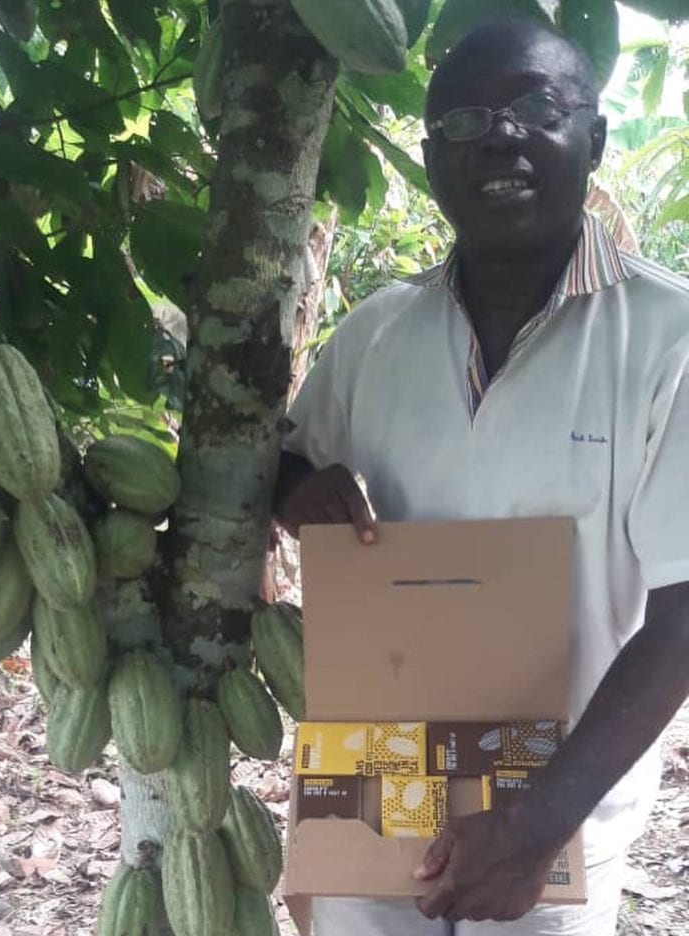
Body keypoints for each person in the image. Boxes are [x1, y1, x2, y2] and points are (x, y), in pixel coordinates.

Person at [273, 14, 689, 936]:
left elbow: (686, 610)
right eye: (464, 122)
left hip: (558, 813)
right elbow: (286, 459)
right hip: (373, 787)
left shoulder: (671, 339)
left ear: (595, 138)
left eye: (538, 107)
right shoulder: (376, 334)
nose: (502, 134)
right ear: (432, 162)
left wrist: (537, 827)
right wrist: (296, 490)